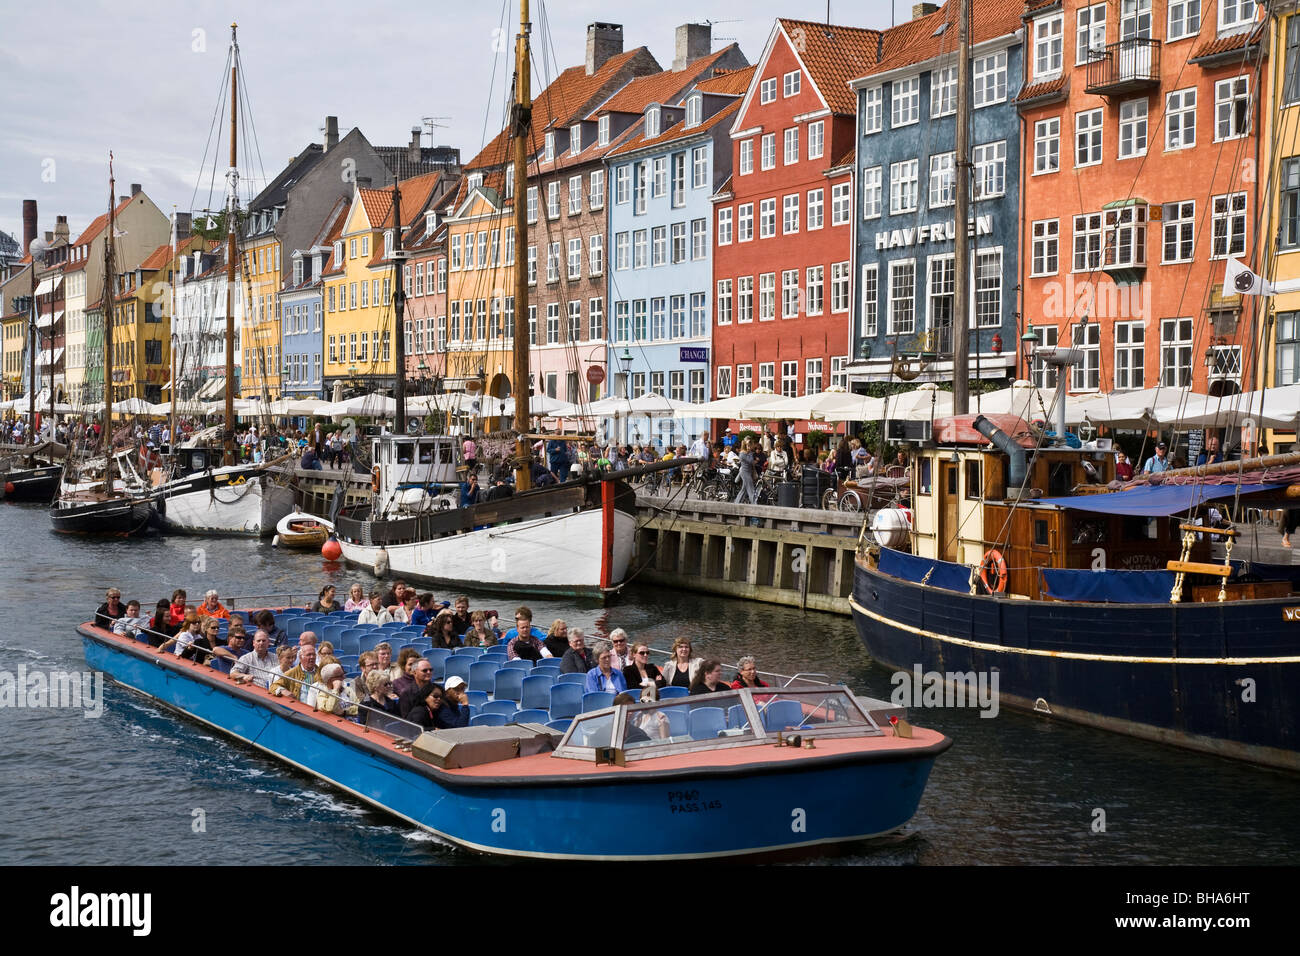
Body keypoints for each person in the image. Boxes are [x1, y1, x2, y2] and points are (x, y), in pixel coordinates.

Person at [735, 438, 759, 504]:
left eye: (750, 446)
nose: (749, 447)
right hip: (745, 473)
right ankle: (755, 505)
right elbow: (751, 461)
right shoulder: (742, 454)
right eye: (748, 446)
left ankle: (737, 503)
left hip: (748, 472)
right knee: (751, 490)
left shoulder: (748, 453)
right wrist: (751, 454)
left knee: (744, 489)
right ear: (745, 445)